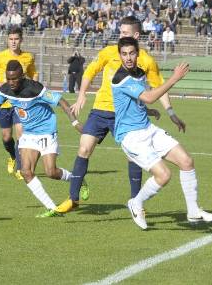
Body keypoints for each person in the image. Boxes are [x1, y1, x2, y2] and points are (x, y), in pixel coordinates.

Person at [56, 16, 186, 213]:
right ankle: (73, 199)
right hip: (100, 110)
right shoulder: (109, 52)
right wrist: (81, 95)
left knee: (132, 157)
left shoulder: (146, 61)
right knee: (84, 149)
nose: (120, 36)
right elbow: (90, 72)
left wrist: (171, 112)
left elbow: (158, 87)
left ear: (135, 35)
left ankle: (136, 202)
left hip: (125, 116)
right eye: (120, 32)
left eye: (125, 33)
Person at [112, 37, 212, 230]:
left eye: (131, 53)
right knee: (164, 175)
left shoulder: (139, 73)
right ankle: (136, 203)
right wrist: (175, 78)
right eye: (124, 54)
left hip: (148, 129)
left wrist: (166, 113)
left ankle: (193, 211)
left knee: (186, 161)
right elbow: (150, 97)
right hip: (131, 137)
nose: (128, 58)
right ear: (119, 55)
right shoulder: (121, 78)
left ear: (138, 53)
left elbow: (139, 100)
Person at [0, 60, 84, 217]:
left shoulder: (35, 88)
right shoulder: (4, 90)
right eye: (8, 78)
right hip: (29, 134)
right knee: (26, 172)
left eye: (15, 79)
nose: (11, 82)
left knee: (51, 172)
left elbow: (61, 101)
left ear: (22, 76)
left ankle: (77, 180)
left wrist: (75, 122)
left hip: (46, 131)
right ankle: (52, 208)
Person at [0, 26, 36, 180]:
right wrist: (5, 87)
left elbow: (34, 73)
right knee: (7, 137)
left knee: (21, 134)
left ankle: (21, 169)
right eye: (11, 39)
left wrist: (33, 90)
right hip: (3, 104)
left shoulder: (28, 57)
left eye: (16, 39)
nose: (13, 42)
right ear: (7, 40)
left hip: (20, 104)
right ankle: (13, 156)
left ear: (21, 40)